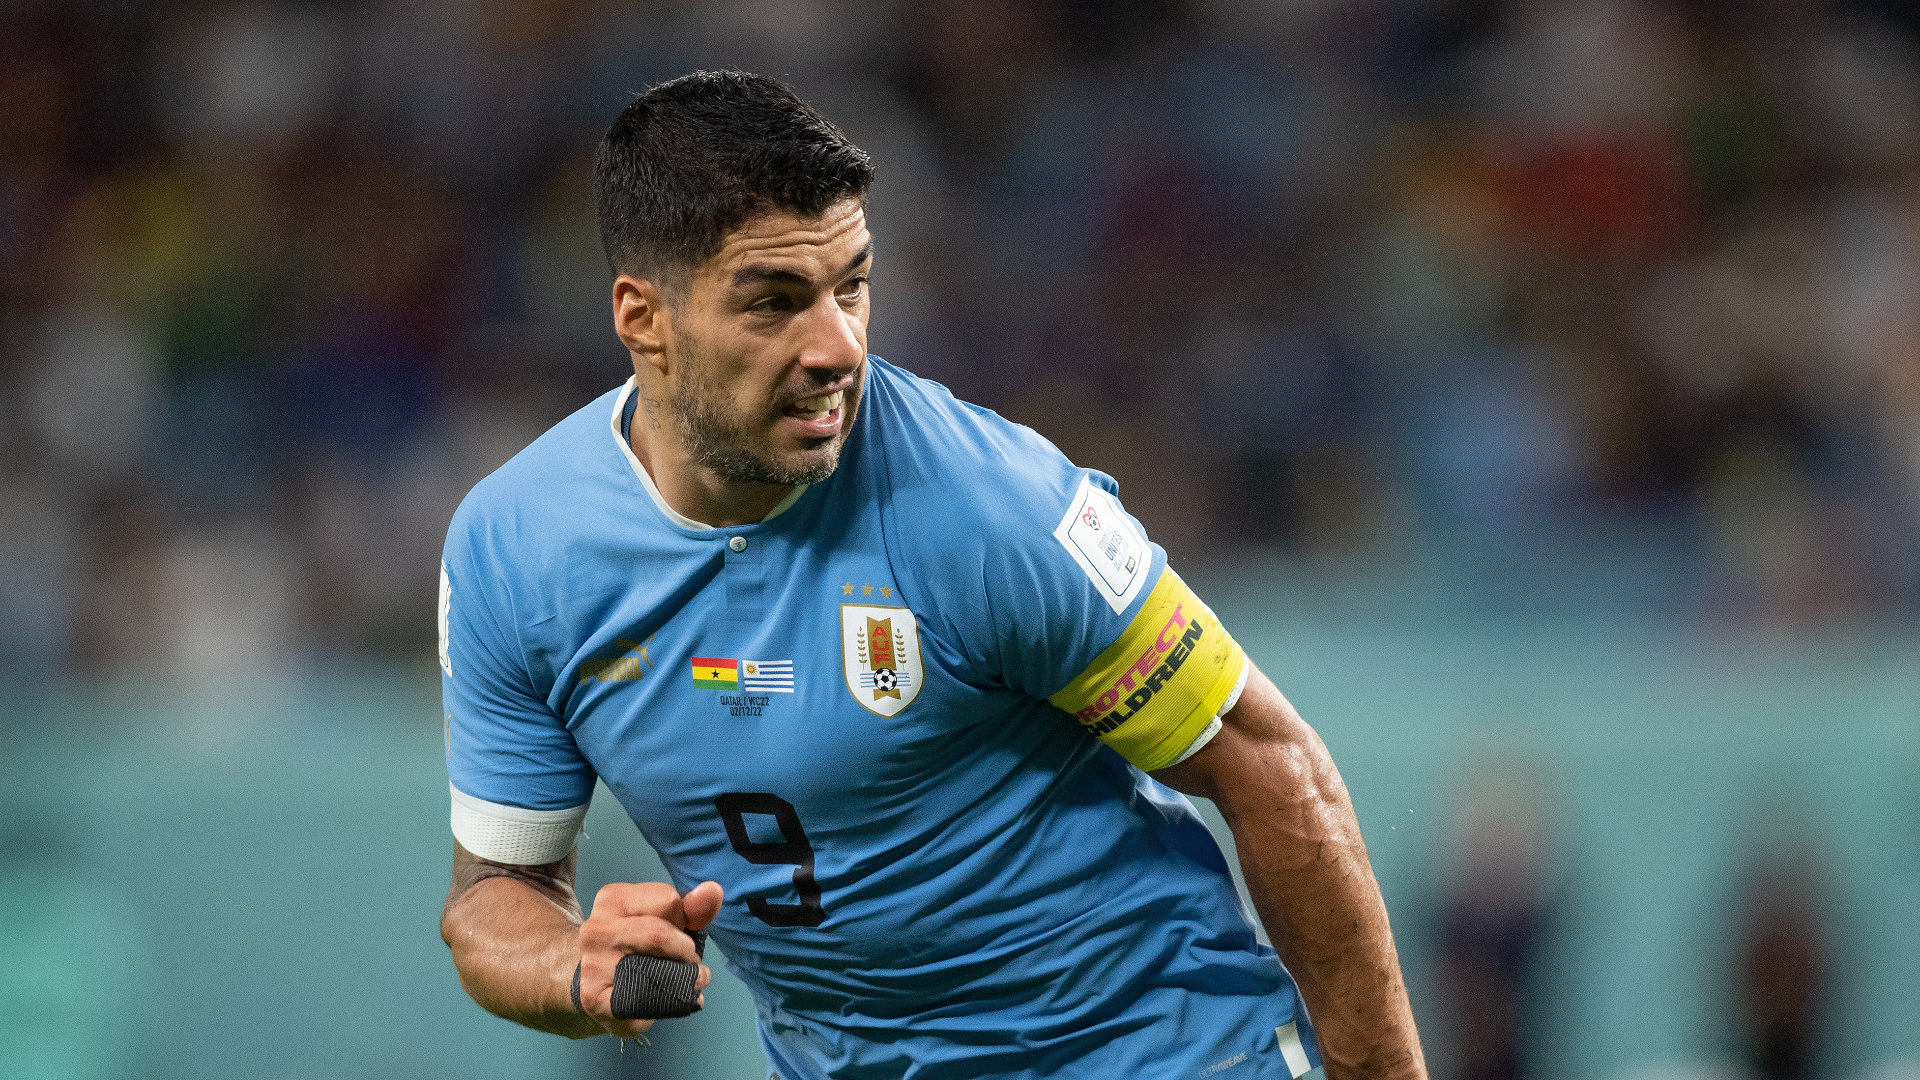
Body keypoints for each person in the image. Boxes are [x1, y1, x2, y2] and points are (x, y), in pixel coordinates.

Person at [438, 70, 1425, 1080]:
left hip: (1152, 1053)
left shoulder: (989, 508)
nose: (838, 346)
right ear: (642, 318)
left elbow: (1271, 767)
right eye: (774, 302)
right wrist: (568, 960)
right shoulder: (517, 553)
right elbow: (492, 899)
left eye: (852, 286)